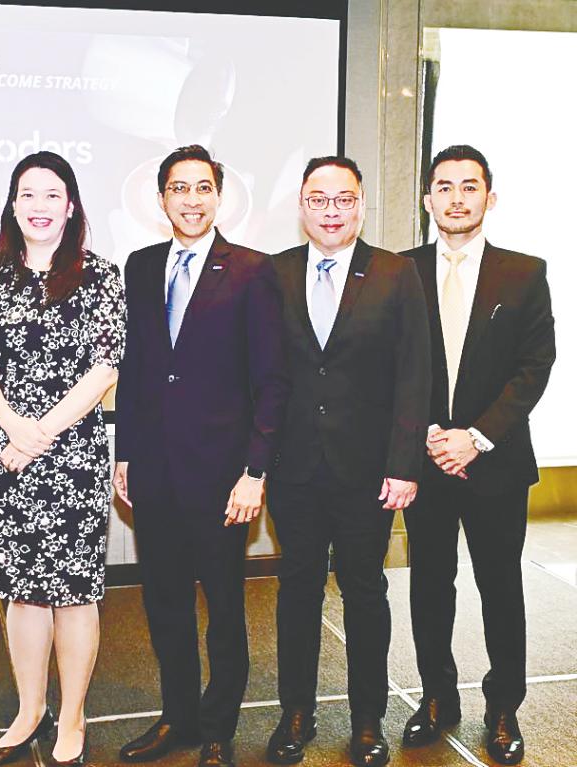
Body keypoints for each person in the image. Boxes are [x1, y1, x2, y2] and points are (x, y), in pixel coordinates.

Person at [113, 145, 289, 767]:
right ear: (161, 199)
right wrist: (125, 455)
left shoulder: (253, 270)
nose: (192, 199)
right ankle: (177, 718)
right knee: (163, 603)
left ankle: (218, 726)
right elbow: (133, 372)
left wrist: (255, 471)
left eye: (202, 188)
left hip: (223, 477)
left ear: (219, 196)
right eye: (179, 189)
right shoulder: (137, 266)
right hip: (155, 472)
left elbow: (271, 379)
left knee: (223, 607)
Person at [0, 151, 125, 767]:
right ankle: (30, 708)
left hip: (73, 454)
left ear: (71, 205)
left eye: (51, 195)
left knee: (74, 595)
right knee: (22, 595)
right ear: (12, 204)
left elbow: (104, 366)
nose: (38, 206)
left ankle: (73, 715)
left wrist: (42, 433)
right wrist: (14, 428)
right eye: (26, 194)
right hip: (8, 453)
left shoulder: (99, 274)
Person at [265, 156, 430, 767]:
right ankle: (296, 715)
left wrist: (405, 463)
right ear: (302, 206)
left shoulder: (396, 273)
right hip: (294, 468)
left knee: (366, 593)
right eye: (318, 198)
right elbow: (265, 375)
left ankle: (367, 720)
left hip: (369, 473)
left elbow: (415, 375)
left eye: (342, 199)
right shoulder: (275, 274)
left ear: (360, 204)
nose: (330, 209)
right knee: (297, 591)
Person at [400, 145, 555, 765]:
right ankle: (437, 697)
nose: (456, 197)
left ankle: (503, 706)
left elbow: (533, 368)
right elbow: (391, 370)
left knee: (500, 586)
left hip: (495, 461)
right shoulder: (399, 270)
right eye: (444, 186)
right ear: (427, 198)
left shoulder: (524, 271)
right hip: (426, 460)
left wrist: (477, 437)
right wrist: (431, 438)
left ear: (489, 197)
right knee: (430, 584)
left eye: (469, 187)